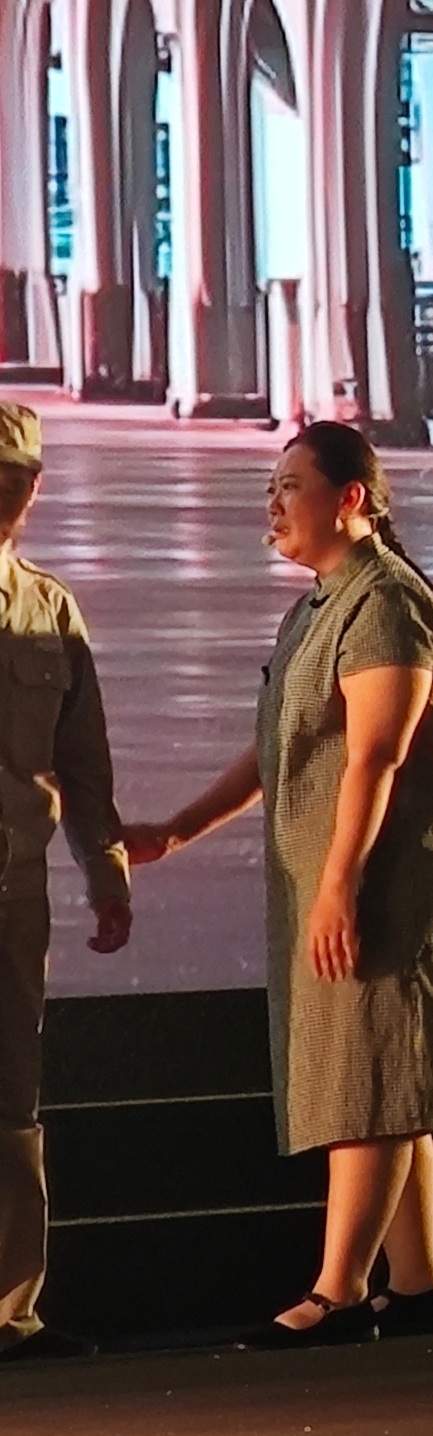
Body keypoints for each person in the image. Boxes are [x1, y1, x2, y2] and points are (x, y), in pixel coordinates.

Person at [126, 422, 433, 1343]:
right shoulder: (318, 609)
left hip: (387, 879)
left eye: (292, 485)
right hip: (336, 877)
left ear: (350, 499)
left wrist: (339, 885)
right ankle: (419, 1286)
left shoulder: (387, 604)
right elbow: (278, 746)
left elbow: (375, 756)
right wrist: (178, 828)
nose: (273, 503)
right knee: (386, 1071)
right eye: (272, 487)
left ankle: (338, 1292)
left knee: (371, 1076)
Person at [0, 401, 126, 1366]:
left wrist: (105, 869)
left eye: (16, 480)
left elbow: (84, 764)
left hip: (13, 891)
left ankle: (10, 1314)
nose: (5, 495)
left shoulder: (49, 610)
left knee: (12, 1099)